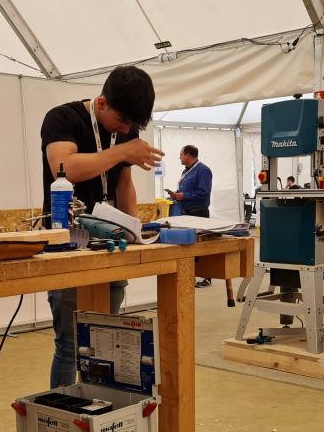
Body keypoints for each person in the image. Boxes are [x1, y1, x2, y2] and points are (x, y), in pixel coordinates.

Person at [40, 66, 162, 388]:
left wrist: (134, 230)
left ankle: (101, 413)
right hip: (68, 243)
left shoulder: (126, 130)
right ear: (102, 103)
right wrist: (122, 150)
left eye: (131, 125)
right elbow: (63, 168)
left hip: (109, 242)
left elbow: (124, 184)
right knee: (69, 345)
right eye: (122, 121)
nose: (125, 128)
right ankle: (63, 414)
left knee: (105, 343)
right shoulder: (62, 119)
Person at [170, 145, 213, 287]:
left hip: (198, 212)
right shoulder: (186, 171)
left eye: (181, 154)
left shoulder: (203, 170)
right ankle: (191, 275)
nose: (180, 157)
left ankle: (207, 277)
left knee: (202, 244)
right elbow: (187, 189)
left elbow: (204, 192)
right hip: (186, 212)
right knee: (189, 245)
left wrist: (185, 196)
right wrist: (177, 194)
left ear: (188, 155)